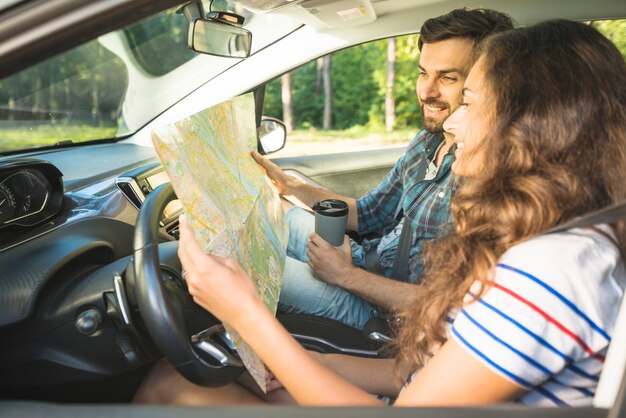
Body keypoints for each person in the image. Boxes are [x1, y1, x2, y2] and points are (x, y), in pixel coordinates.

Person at [135, 19, 626, 406]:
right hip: (400, 376)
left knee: (168, 384)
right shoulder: (546, 240)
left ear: (531, 126)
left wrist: (246, 312)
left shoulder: (549, 272)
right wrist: (288, 360)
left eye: (468, 100)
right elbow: (413, 372)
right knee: (230, 365)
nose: (452, 122)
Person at [252, 8, 515, 329]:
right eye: (423, 73)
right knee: (270, 213)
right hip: (364, 262)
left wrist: (348, 276)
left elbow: (451, 307)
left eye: (447, 77)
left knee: (244, 267)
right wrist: (289, 187)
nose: (426, 91)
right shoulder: (427, 140)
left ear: (483, 82)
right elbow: (367, 214)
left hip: (385, 312)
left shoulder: (489, 176)